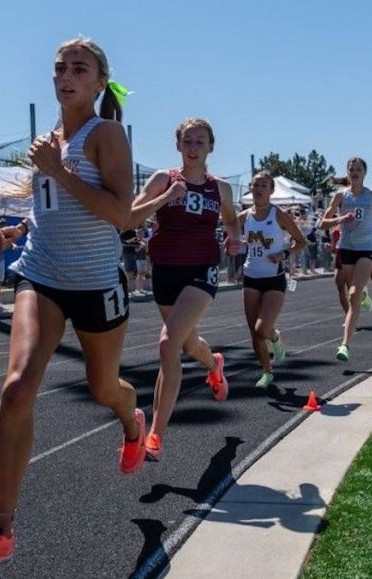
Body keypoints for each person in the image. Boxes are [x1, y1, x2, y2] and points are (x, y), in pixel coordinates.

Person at [0, 37, 155, 578]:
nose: (65, 75)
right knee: (17, 387)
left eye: (78, 69)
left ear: (97, 81)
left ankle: (132, 421)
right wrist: (14, 230)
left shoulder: (106, 134)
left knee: (103, 388)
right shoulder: (46, 141)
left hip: (95, 283)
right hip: (39, 275)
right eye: (60, 67)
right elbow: (51, 211)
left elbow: (122, 216)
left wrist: (60, 171)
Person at [132, 117, 241, 460]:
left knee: (168, 344)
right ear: (178, 146)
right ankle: (214, 365)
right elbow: (132, 215)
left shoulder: (220, 188)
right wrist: (165, 198)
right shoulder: (164, 179)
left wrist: (235, 239)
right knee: (187, 342)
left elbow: (231, 220)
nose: (193, 148)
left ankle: (155, 435)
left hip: (202, 269)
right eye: (188, 142)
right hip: (165, 269)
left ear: (211, 147)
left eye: (200, 142)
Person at [318, 157, 372, 361]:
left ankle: (344, 345)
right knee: (354, 293)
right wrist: (340, 219)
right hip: (346, 248)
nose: (355, 172)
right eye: (351, 169)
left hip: (366, 248)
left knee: (353, 294)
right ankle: (365, 296)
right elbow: (323, 223)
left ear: (365, 172)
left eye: (358, 169)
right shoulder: (340, 196)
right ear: (347, 173)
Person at [239, 171, 307, 387]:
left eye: (263, 185)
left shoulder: (279, 215)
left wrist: (284, 254)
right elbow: (228, 232)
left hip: (273, 278)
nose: (258, 189)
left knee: (262, 329)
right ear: (250, 188)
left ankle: (275, 338)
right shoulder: (244, 216)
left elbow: (301, 241)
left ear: (271, 190)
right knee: (254, 331)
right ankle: (267, 371)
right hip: (250, 276)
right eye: (255, 185)